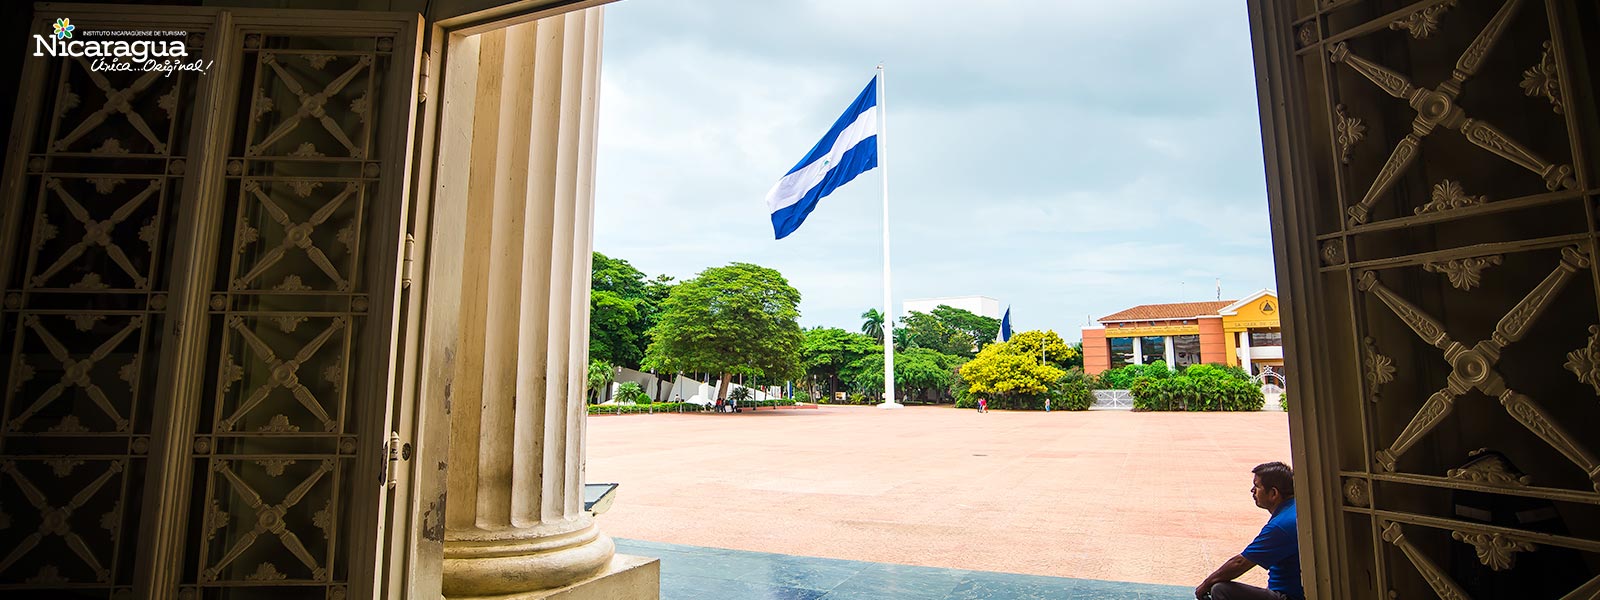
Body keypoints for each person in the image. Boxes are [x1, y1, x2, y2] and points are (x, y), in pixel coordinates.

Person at [1196, 462, 1303, 600]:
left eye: (1257, 486)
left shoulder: (1280, 526)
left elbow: (1240, 563)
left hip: (1289, 596)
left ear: (1273, 493)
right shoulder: (1295, 509)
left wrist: (1205, 585)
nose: (1252, 490)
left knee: (1221, 590)